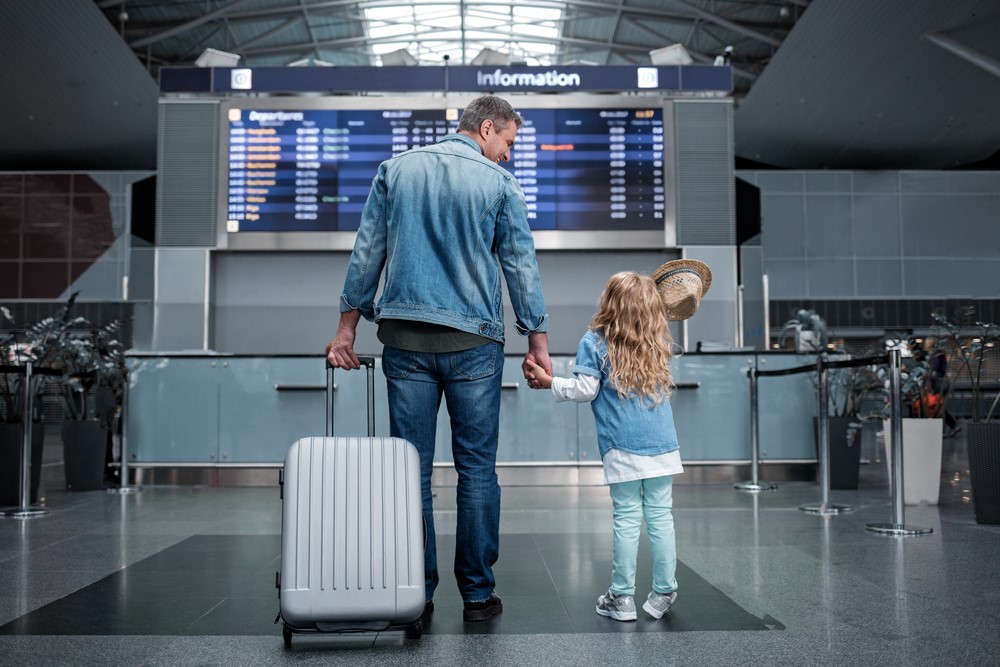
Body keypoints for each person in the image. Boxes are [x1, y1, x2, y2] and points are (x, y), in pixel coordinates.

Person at [326, 95, 550, 623]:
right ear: (487, 128)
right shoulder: (498, 185)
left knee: (411, 471)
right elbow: (520, 264)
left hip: (404, 342)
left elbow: (367, 252)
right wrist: (536, 341)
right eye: (509, 143)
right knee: (476, 467)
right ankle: (476, 594)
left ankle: (415, 591)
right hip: (474, 344)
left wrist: (345, 329)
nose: (508, 156)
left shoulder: (395, 171)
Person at [526, 270, 692, 622]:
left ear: (609, 302)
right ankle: (664, 592)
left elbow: (585, 390)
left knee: (628, 517)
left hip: (623, 445)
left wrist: (548, 382)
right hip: (663, 445)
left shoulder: (596, 339)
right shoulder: (656, 338)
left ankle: (622, 597)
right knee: (661, 516)